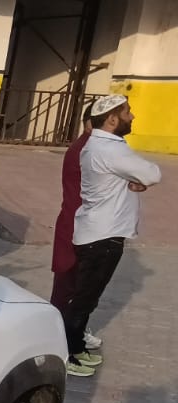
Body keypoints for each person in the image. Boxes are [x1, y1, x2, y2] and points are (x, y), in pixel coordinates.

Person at [64, 94, 162, 377]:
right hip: (103, 238)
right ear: (112, 119)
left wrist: (134, 180)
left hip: (97, 233)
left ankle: (77, 346)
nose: (132, 116)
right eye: (128, 112)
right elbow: (153, 173)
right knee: (83, 300)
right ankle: (67, 353)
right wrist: (140, 179)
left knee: (86, 298)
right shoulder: (111, 150)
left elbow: (134, 176)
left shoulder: (97, 145)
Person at [50, 105, 94, 346]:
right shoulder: (85, 148)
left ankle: (69, 330)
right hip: (76, 224)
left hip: (80, 222)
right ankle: (60, 335)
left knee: (75, 283)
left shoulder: (88, 147)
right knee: (67, 283)